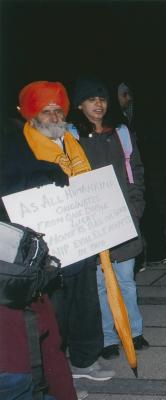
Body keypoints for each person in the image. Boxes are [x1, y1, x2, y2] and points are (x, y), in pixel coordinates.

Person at [1, 81, 115, 380]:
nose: (54, 118)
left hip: (81, 238)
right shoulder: (18, 145)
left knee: (85, 303)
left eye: (57, 111)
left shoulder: (71, 142)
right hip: (48, 249)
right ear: (31, 116)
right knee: (56, 313)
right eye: (46, 112)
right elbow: (11, 187)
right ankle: (55, 371)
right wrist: (43, 173)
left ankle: (85, 360)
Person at [68, 77, 150, 360]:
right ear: (79, 105)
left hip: (122, 217)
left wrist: (136, 205)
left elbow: (136, 169)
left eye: (102, 99)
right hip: (91, 221)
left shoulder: (121, 133)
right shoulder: (70, 137)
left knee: (126, 279)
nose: (98, 104)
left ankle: (135, 331)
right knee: (101, 284)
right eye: (91, 100)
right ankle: (108, 337)